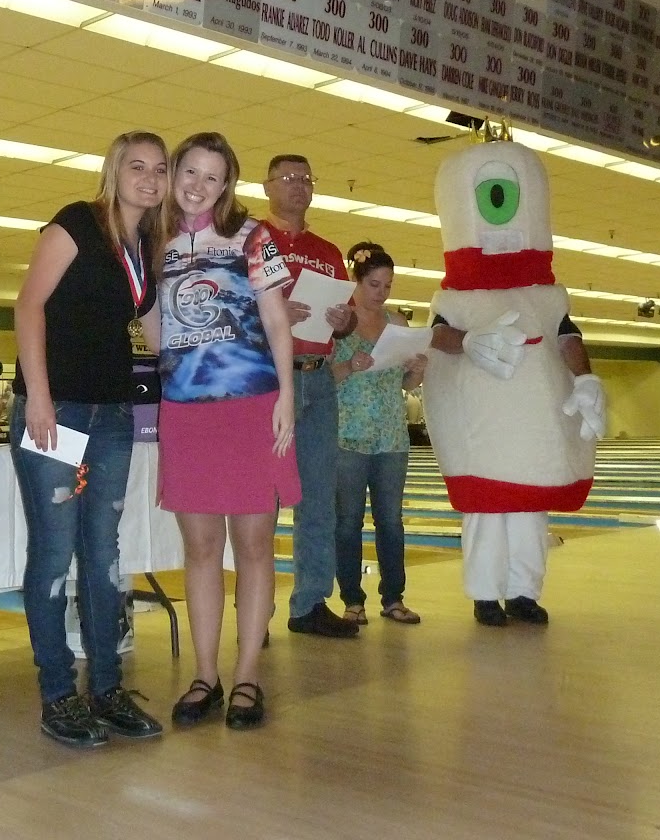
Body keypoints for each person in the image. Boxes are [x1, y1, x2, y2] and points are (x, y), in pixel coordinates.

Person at [11, 131, 169, 748]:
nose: (150, 179)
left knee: (103, 554)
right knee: (54, 554)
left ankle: (106, 688)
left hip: (111, 415)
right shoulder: (77, 223)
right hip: (58, 409)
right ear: (113, 171)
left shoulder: (144, 248)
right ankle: (57, 694)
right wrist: (41, 398)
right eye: (138, 167)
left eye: (159, 169)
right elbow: (29, 308)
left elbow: (159, 339)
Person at [422, 138, 606, 626]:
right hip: (481, 433)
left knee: (528, 515)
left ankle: (523, 592)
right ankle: (486, 594)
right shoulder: (454, 297)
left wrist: (585, 378)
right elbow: (436, 335)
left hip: (531, 436)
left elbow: (567, 336)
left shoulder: (547, 298)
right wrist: (464, 341)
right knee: (487, 513)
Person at [158, 133, 295, 730]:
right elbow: (151, 323)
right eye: (191, 171)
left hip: (251, 404)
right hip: (186, 409)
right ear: (175, 172)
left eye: (212, 177)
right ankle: (204, 674)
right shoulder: (153, 243)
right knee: (201, 548)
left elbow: (274, 319)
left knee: (254, 546)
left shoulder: (252, 238)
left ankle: (246, 677)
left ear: (227, 186)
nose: (198, 185)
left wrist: (287, 394)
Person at [258, 155, 358, 639]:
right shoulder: (252, 241)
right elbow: (229, 308)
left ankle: (310, 603)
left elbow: (351, 316)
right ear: (267, 186)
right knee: (264, 498)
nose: (299, 187)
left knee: (318, 497)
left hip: (319, 380)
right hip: (272, 381)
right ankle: (257, 610)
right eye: (288, 179)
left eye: (306, 179)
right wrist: (274, 315)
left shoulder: (327, 249)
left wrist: (345, 321)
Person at [330, 243, 426, 626]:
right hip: (348, 435)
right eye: (374, 284)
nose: (382, 293)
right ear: (356, 281)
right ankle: (352, 600)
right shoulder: (337, 322)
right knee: (348, 520)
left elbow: (405, 382)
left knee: (391, 520)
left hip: (391, 436)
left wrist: (418, 370)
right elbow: (323, 380)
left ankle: (394, 598)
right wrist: (350, 365)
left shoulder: (398, 325)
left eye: (387, 286)